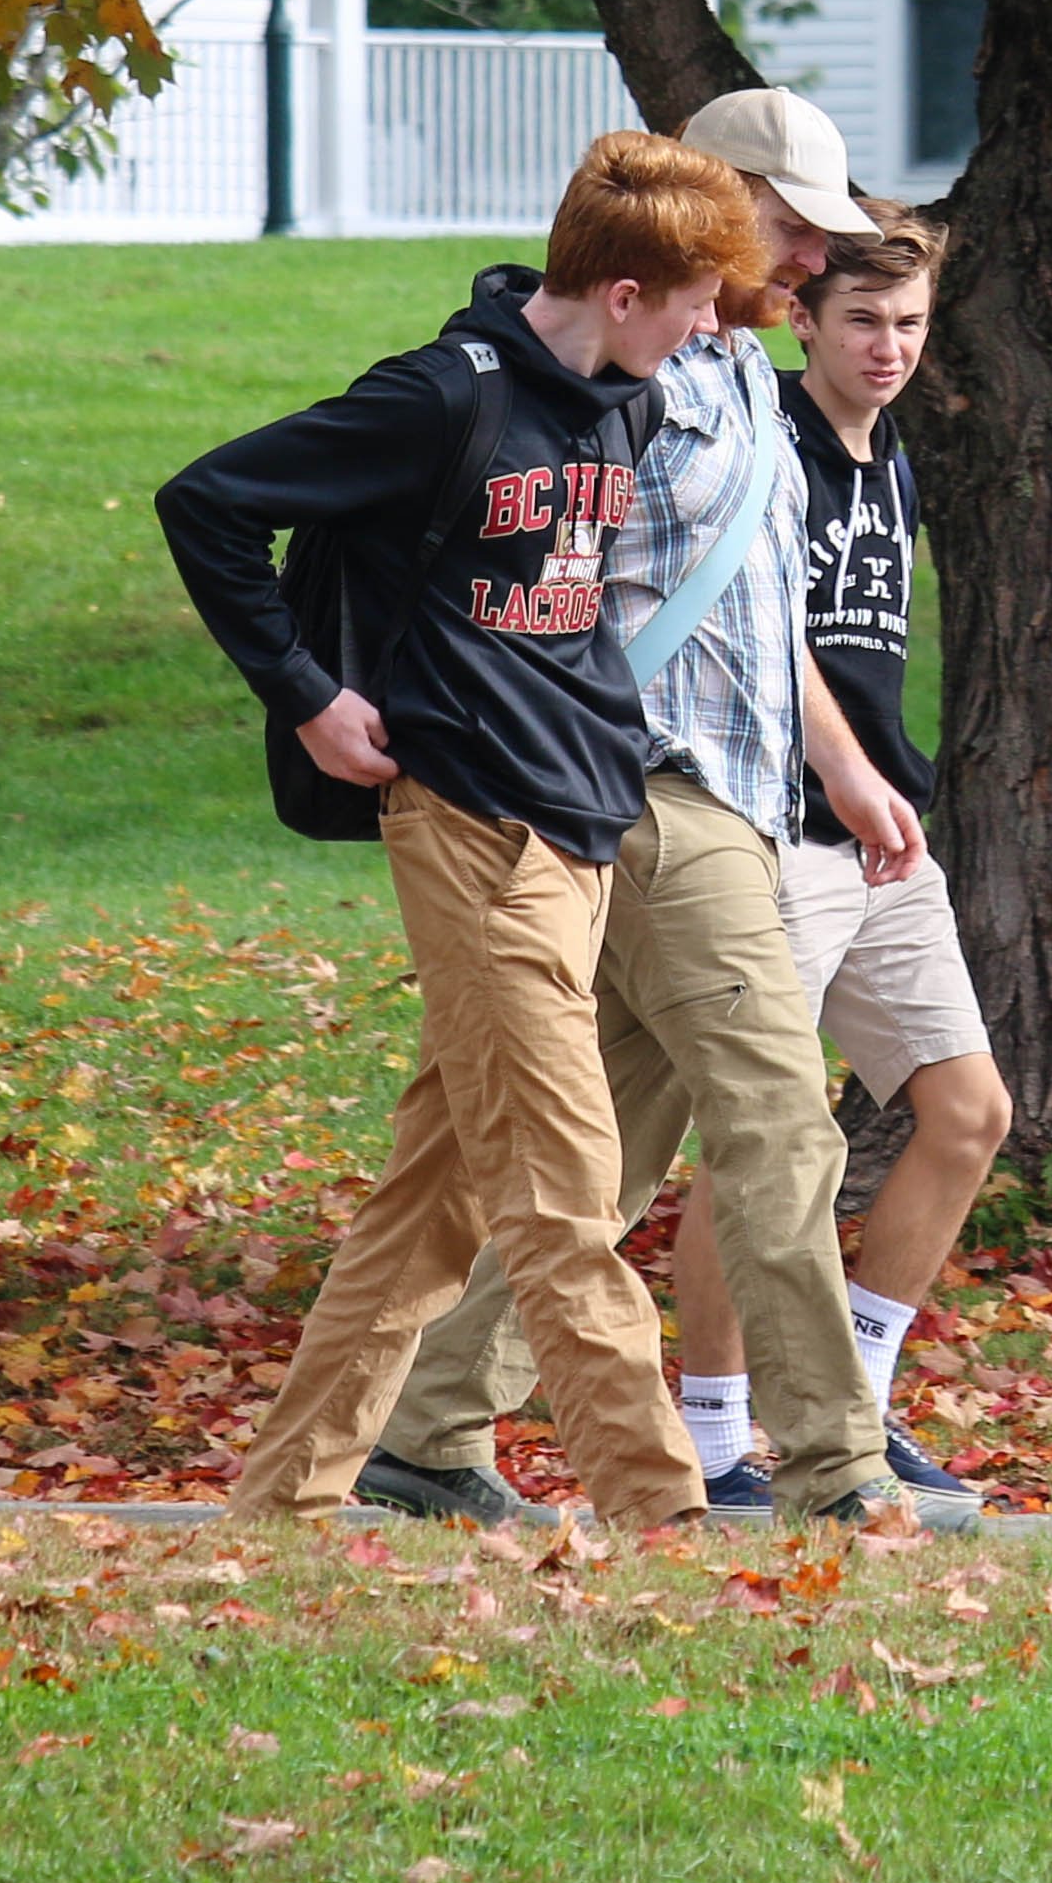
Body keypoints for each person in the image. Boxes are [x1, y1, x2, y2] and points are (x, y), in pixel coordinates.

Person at [352, 87, 964, 1539]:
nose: (815, 262)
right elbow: (510, 586)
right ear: (709, 203)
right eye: (793, 229)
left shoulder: (749, 376)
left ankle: (428, 1432)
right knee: (781, 1121)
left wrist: (842, 771)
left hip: (734, 797)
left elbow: (751, 616)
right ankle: (834, 1464)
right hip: (644, 798)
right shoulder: (614, 376)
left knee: (610, 1150)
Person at [163, 132, 759, 1536]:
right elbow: (208, 503)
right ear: (624, 290)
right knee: (564, 1200)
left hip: (578, 833)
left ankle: (289, 1495)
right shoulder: (440, 398)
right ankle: (668, 1526)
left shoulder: (620, 400)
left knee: (434, 1202)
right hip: (468, 828)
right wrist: (307, 696)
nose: (712, 326)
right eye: (695, 300)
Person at [653, 193, 1014, 1505]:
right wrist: (846, 775)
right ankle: (709, 1436)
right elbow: (764, 638)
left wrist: (880, 793)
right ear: (799, 317)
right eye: (861, 318)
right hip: (788, 827)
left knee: (968, 1113)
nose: (889, 346)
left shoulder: (889, 456)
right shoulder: (775, 442)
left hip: (880, 839)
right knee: (766, 1138)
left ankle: (855, 1400)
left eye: (910, 322)